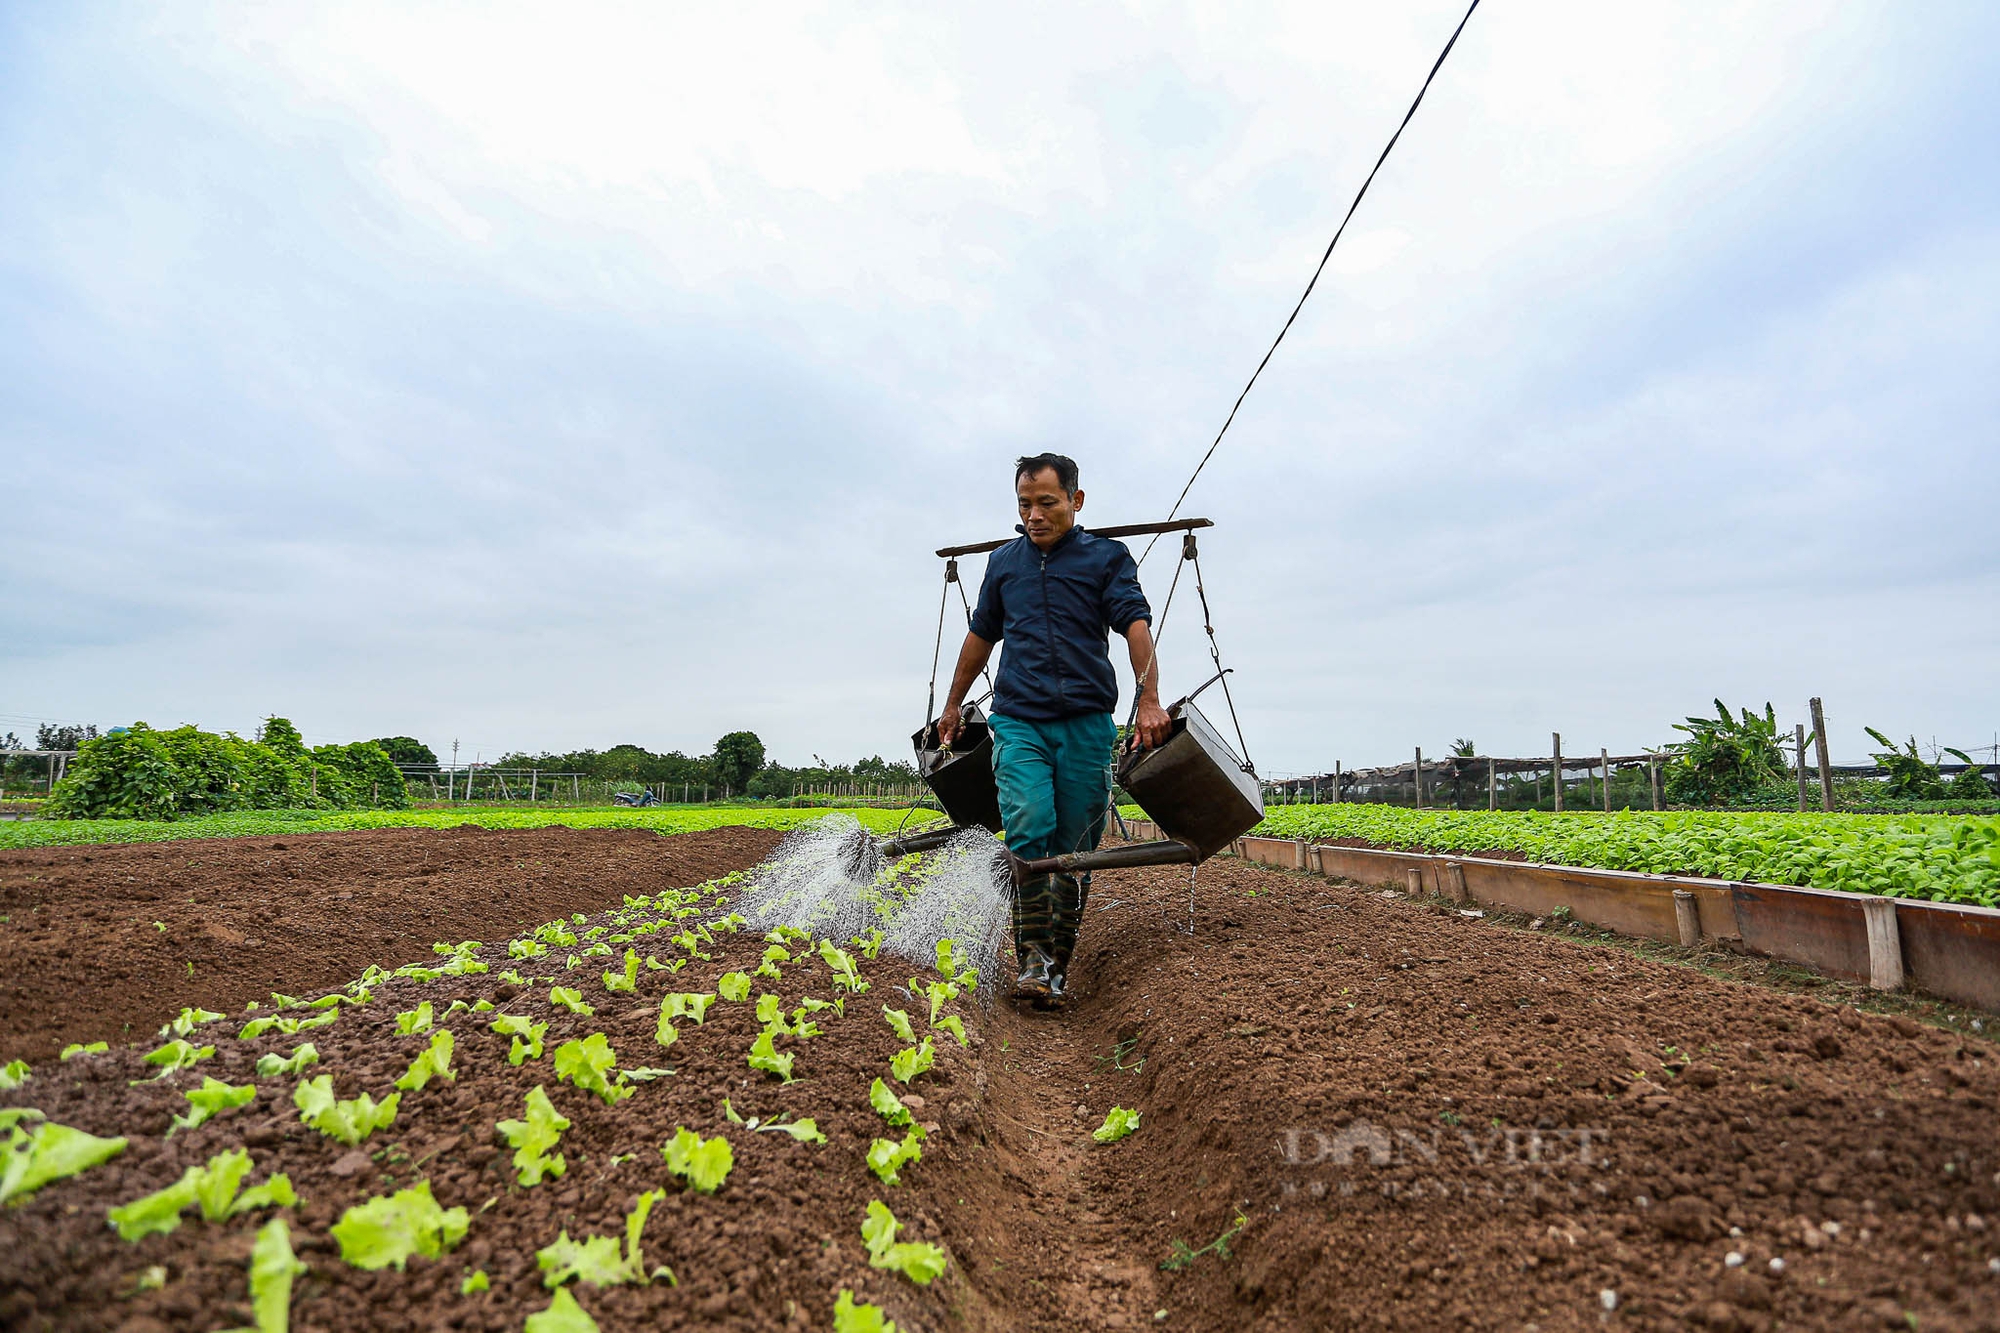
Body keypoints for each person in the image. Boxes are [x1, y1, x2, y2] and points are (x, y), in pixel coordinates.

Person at [936, 453, 1170, 1006]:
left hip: (1087, 724)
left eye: (1047, 502)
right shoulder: (1004, 564)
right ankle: (1031, 962)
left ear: (1075, 501)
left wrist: (1150, 698)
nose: (1034, 515)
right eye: (1024, 504)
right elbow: (979, 637)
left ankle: (1055, 965)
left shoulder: (1105, 559)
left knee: (1074, 846)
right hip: (1018, 720)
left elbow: (1136, 625)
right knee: (1029, 823)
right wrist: (952, 704)